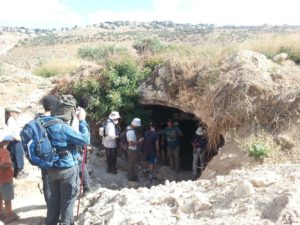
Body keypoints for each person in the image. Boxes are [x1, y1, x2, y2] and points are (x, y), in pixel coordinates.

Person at [44, 94, 90, 225]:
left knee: (54, 198)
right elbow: (85, 140)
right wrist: (82, 120)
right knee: (68, 200)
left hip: (51, 168)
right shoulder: (64, 128)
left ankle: (50, 222)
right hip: (67, 168)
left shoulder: (45, 123)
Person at [38, 95, 60, 207]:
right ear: (53, 106)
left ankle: (50, 209)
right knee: (56, 184)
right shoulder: (55, 121)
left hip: (42, 157)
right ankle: (56, 211)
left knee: (46, 183)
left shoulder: (37, 120)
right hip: (56, 156)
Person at [71, 96, 91, 193]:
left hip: (76, 139)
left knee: (81, 163)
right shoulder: (81, 112)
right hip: (79, 140)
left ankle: (82, 184)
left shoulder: (75, 110)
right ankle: (86, 187)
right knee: (82, 163)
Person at [0, 131, 18, 223]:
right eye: (7, 141)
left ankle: (1, 213)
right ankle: (10, 215)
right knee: (7, 198)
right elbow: (5, 164)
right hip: (5, 179)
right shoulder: (5, 152)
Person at [5, 106, 26, 179]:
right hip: (15, 141)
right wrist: (17, 139)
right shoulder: (10, 120)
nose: (18, 114)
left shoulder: (12, 120)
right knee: (18, 156)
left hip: (15, 141)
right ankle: (19, 173)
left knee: (15, 157)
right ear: (11, 113)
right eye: (16, 112)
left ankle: (16, 173)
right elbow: (10, 133)